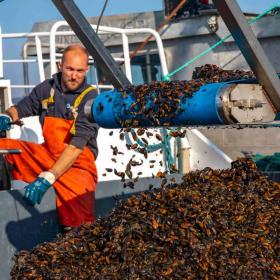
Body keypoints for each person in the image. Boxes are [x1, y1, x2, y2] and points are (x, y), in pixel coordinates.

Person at [0, 44, 99, 228]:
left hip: (78, 164)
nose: (74, 75)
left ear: (87, 70)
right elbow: (22, 108)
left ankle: (74, 245)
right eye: (69, 69)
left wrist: (48, 177)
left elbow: (77, 145)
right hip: (47, 155)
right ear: (59, 66)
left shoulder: (91, 98)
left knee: (80, 220)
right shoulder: (47, 88)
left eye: (79, 71)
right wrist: (7, 116)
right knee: (3, 149)